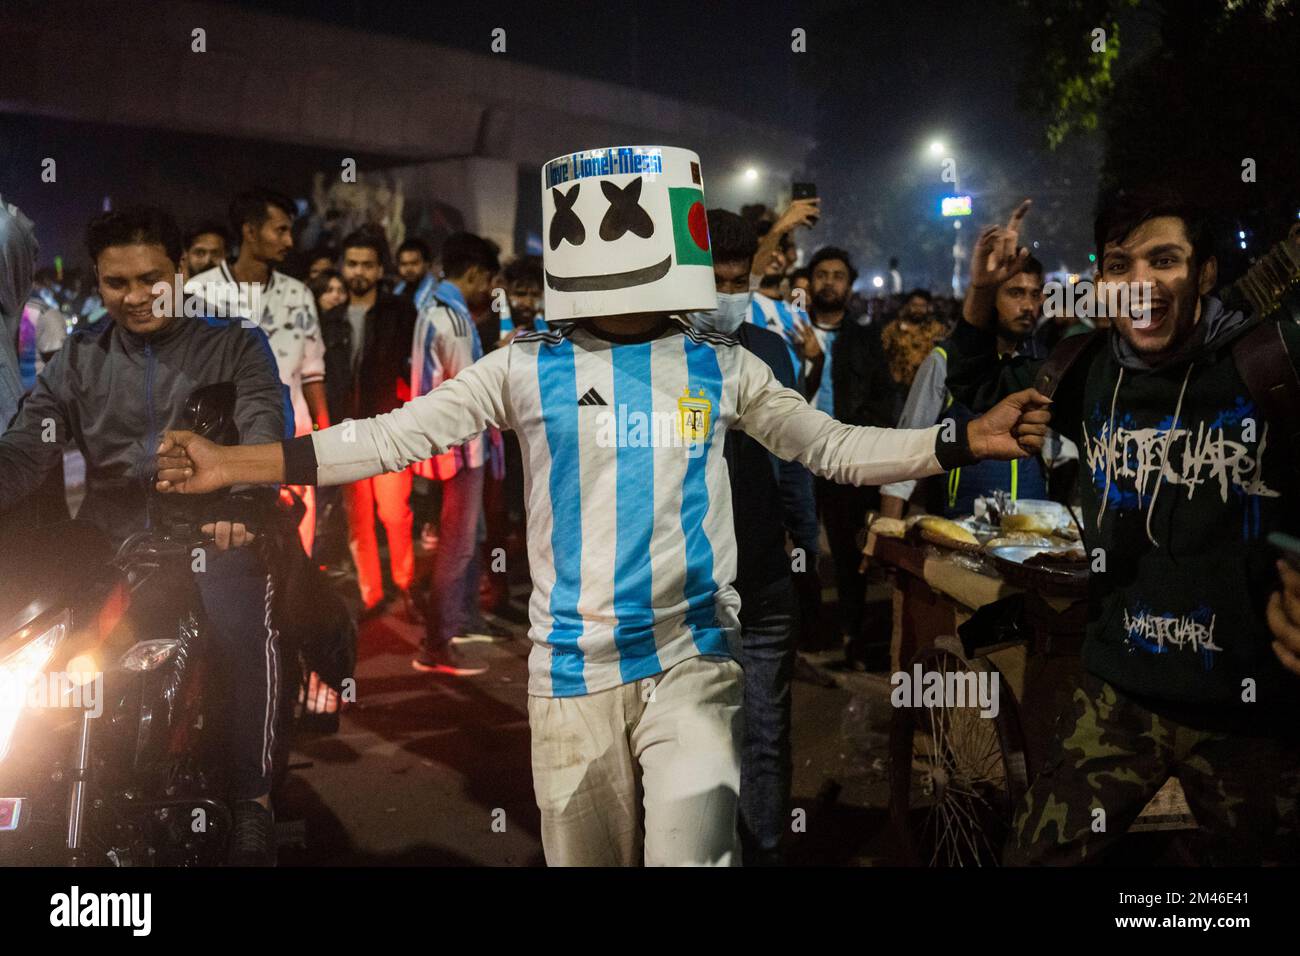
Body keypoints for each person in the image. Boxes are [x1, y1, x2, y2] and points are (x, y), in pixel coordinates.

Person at [155, 145, 1050, 867]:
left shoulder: (721, 363)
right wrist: (235, 460)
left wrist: (958, 442)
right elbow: (391, 437)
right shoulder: (524, 365)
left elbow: (832, 447)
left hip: (693, 661)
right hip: (569, 676)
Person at [946, 190, 1300, 865]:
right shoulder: (1083, 368)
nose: (1140, 284)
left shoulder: (1272, 360)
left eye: (1164, 260)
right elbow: (977, 380)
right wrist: (979, 292)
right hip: (1119, 693)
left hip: (1252, 711)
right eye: (1119, 264)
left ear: (1205, 273)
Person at [0, 206, 288, 865]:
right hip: (106, 544)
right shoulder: (79, 356)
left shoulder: (236, 345)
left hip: (213, 535)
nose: (135, 298)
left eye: (151, 278)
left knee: (245, 632)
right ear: (95, 282)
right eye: (115, 283)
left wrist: (242, 500)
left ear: (181, 269)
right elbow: (24, 450)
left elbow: (264, 430)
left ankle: (253, 800)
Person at [695, 208, 819, 864]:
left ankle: (764, 849)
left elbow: (795, 457)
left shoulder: (767, 351)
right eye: (714, 280)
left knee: (766, 735)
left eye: (737, 280)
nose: (727, 294)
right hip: (688, 584)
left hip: (765, 572)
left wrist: (808, 544)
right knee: (698, 736)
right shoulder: (657, 354)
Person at [189, 189, 328, 557]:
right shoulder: (199, 293)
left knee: (296, 551)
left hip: (294, 445)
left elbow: (312, 373)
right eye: (280, 230)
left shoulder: (298, 294)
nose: (289, 241)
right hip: (225, 450)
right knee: (232, 554)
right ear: (250, 232)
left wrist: (325, 437)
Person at [880, 257, 1051, 518]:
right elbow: (906, 451)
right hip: (962, 530)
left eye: (1035, 294)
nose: (1028, 305)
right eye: (1015, 293)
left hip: (1029, 534)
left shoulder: (1045, 364)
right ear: (989, 299)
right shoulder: (945, 361)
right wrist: (885, 536)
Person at [409, 233, 501, 676]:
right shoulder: (457, 322)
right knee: (457, 549)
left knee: (459, 544)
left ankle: (454, 626)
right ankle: (436, 645)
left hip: (442, 447)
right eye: (489, 280)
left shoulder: (432, 308)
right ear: (476, 275)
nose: (491, 290)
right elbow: (471, 392)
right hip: (462, 450)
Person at [323, 230, 419, 620]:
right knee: (357, 519)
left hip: (392, 427)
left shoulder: (401, 313)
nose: (358, 271)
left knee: (395, 513)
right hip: (347, 434)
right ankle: (372, 595)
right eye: (352, 263)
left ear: (380, 269)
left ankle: (406, 585)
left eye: (367, 264)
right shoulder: (328, 319)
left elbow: (415, 366)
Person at [393, 237, 436, 311]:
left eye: (414, 263)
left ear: (427, 264)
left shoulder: (436, 294)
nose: (409, 269)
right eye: (404, 264)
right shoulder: (397, 291)